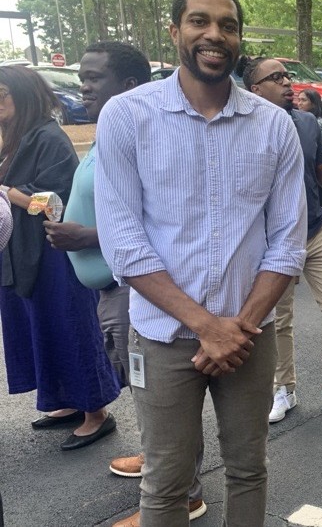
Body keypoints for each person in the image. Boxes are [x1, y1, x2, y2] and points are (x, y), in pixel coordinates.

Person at [94, 0, 306, 525]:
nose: (214, 34)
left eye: (228, 25)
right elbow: (123, 240)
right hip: (163, 338)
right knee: (164, 482)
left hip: (248, 337)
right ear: (175, 31)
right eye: (199, 21)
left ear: (239, 39)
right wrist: (205, 326)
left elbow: (286, 241)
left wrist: (236, 328)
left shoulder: (273, 125)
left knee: (248, 469)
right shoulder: (127, 115)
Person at [42, 41, 208, 525]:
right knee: (145, 392)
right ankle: (161, 463)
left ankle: (182, 493)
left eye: (94, 78)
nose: (83, 87)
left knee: (159, 388)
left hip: (136, 289)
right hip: (109, 288)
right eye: (82, 77)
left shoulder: (152, 135)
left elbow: (164, 221)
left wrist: (84, 235)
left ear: (130, 86)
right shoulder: (108, 132)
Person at [239, 56, 322, 422]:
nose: (286, 81)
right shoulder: (245, 129)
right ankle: (285, 389)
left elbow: (321, 174)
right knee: (279, 320)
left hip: (314, 230)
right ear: (255, 89)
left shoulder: (309, 123)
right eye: (275, 77)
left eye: (287, 75)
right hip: (270, 242)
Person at [0, 66, 121, 451]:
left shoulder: (49, 137)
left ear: (22, 96)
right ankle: (66, 402)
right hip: (20, 251)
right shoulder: (13, 138)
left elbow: (55, 201)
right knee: (41, 330)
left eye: (2, 94)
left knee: (70, 328)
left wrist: (9, 191)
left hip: (52, 252)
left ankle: (96, 413)